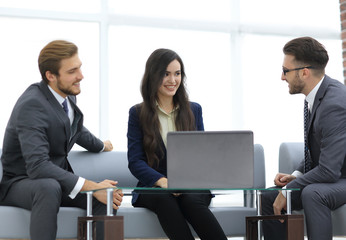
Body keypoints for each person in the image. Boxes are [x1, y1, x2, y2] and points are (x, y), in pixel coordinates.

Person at [0, 40, 123, 240]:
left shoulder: (66, 94)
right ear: (51, 76)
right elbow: (38, 166)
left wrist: (101, 145)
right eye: (72, 71)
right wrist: (93, 185)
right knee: (49, 186)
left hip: (56, 181)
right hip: (21, 183)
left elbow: (74, 127)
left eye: (80, 67)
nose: (81, 76)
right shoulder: (31, 105)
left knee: (106, 196)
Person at [127, 48, 227, 240]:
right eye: (166, 74)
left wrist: (185, 181)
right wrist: (164, 182)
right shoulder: (137, 113)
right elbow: (135, 162)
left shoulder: (193, 110)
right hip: (154, 187)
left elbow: (200, 155)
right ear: (153, 76)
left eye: (177, 73)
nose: (173, 80)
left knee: (190, 200)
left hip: (191, 184)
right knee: (165, 198)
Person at [261, 37, 346, 240]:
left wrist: (291, 188)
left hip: (341, 177)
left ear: (304, 72)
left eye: (285, 70)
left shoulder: (334, 103)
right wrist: (297, 175)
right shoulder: (315, 95)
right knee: (268, 196)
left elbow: (329, 170)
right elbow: (316, 148)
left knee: (312, 193)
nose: (282, 77)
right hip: (335, 176)